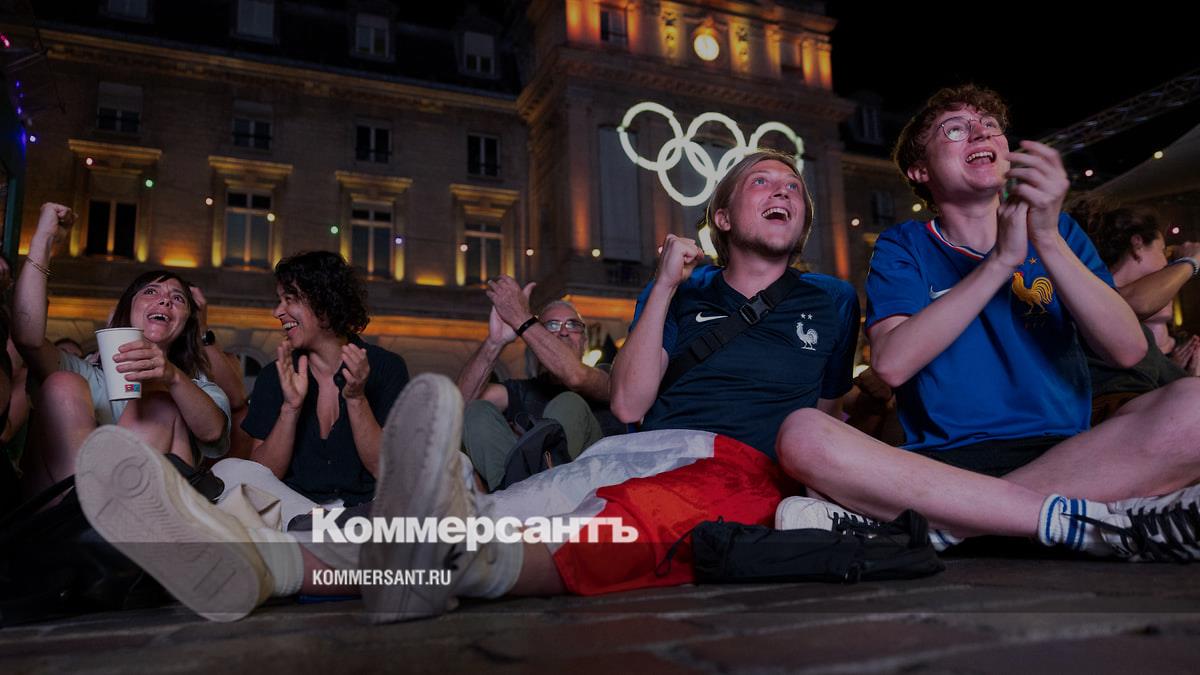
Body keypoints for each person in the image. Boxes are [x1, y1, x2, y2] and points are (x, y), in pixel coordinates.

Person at [74, 149, 860, 622]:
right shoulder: (682, 292)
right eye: (761, 180)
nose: (783, 189)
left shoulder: (832, 299)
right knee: (476, 519)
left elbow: (824, 422)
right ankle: (259, 553)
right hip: (632, 452)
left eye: (793, 183)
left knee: (556, 538)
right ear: (720, 216)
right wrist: (662, 283)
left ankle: (280, 546)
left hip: (725, 469)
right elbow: (627, 400)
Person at [772, 84, 1200, 561]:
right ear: (920, 171)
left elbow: (1127, 350)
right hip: (944, 464)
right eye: (954, 129)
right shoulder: (904, 244)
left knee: (1194, 405)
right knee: (802, 433)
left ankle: (951, 527)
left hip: (1068, 456)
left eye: (990, 126)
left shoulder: (1059, 231)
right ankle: (1060, 521)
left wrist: (1046, 238)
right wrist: (1000, 262)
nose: (980, 132)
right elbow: (891, 364)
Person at [14, 202, 230, 496]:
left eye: (178, 298)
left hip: (145, 507)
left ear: (186, 324)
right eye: (150, 291)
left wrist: (171, 376)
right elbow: (28, 340)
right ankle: (81, 505)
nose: (165, 300)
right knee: (62, 382)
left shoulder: (198, 388)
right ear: (126, 310)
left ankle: (96, 510)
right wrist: (43, 239)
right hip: (65, 504)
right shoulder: (90, 377)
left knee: (160, 403)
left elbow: (213, 432)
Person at [211, 251, 409, 529]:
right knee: (228, 470)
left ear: (324, 302)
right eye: (280, 300)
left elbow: (385, 470)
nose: (278, 312)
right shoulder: (275, 375)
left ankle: (329, 530)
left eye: (289, 299)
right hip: (299, 509)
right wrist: (290, 408)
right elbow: (263, 474)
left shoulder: (386, 367)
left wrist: (356, 399)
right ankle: (324, 528)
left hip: (368, 508)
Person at [456, 289, 622, 491]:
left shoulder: (606, 377)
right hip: (522, 491)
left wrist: (521, 318)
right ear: (534, 341)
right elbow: (460, 405)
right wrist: (494, 342)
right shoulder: (523, 390)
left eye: (573, 325)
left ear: (584, 342)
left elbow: (577, 377)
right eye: (552, 325)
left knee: (568, 403)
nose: (563, 332)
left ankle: (540, 490)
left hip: (593, 483)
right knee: (477, 410)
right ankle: (514, 494)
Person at [1077, 204, 1198, 421]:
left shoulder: (1142, 332)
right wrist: (1191, 261)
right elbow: (1133, 303)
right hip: (1116, 415)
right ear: (1138, 245)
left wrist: (1190, 373)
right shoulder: (1094, 296)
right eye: (1162, 251)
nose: (1165, 263)